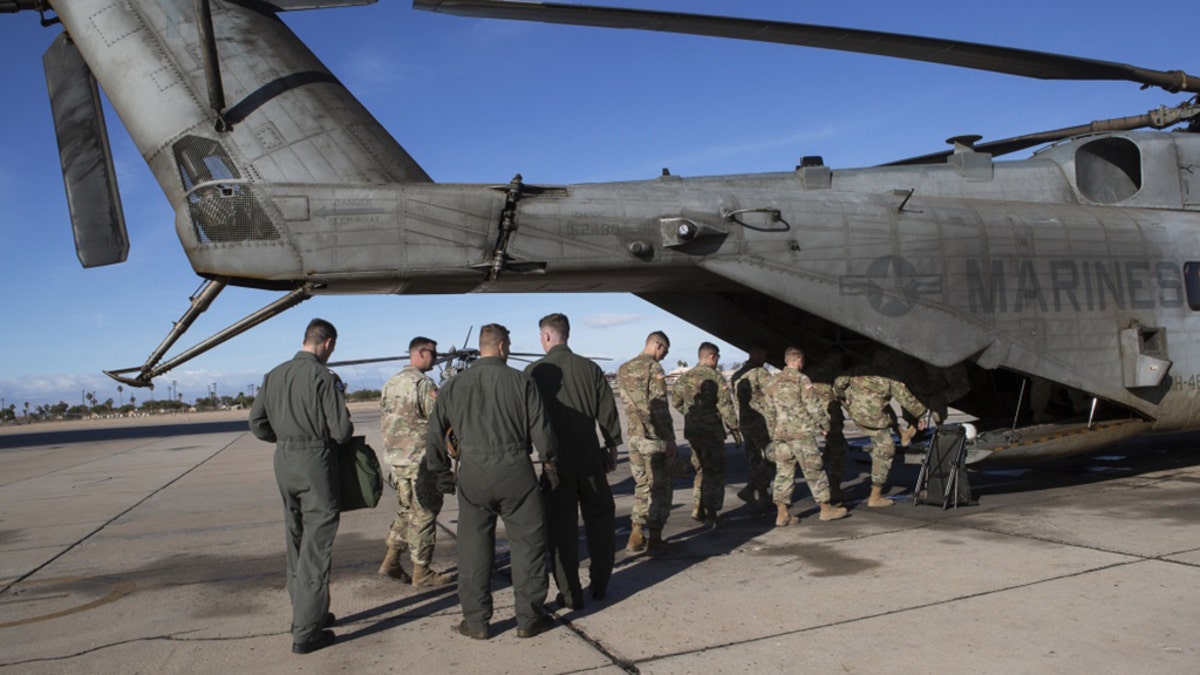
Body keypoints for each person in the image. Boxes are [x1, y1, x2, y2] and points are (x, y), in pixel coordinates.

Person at [426, 324, 558, 640]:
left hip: (472, 471)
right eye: (508, 345)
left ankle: (477, 622)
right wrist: (550, 464)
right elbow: (543, 430)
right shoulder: (521, 381)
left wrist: (441, 472)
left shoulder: (455, 385)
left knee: (473, 548)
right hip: (515, 470)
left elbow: (434, 432)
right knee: (528, 545)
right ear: (501, 347)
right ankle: (528, 618)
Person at [248, 318, 353, 655]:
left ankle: (305, 611)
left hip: (284, 460)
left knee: (294, 537)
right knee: (318, 542)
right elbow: (341, 431)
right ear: (327, 343)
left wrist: (285, 438)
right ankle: (307, 631)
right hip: (314, 461)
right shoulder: (323, 377)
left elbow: (257, 423)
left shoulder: (274, 374)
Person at [525, 313, 623, 608]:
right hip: (590, 457)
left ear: (546, 337)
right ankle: (601, 584)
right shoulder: (590, 368)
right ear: (566, 334)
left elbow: (526, 419)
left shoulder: (532, 372)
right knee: (601, 521)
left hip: (555, 462)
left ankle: (570, 593)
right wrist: (612, 447)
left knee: (561, 530)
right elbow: (607, 412)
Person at [377, 336, 454, 587]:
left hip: (396, 462)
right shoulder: (423, 384)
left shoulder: (391, 383)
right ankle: (422, 571)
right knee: (425, 513)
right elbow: (440, 417)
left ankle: (391, 560)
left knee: (407, 510)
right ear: (420, 353)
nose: (436, 356)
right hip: (419, 462)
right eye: (433, 352)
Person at [761, 347, 848, 526]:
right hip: (801, 434)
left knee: (784, 473)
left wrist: (773, 434)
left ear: (786, 361)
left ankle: (782, 514)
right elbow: (813, 405)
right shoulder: (802, 379)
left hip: (781, 434)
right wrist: (824, 425)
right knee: (813, 470)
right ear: (799, 360)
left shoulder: (772, 382)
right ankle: (825, 508)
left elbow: (768, 411)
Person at [834, 349, 928, 507]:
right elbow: (907, 400)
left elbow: (838, 383)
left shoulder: (857, 370)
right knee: (885, 451)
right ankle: (875, 496)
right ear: (889, 362)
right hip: (876, 422)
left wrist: (845, 399)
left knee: (887, 409)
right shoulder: (890, 377)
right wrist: (922, 414)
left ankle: (903, 434)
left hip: (856, 415)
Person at [616, 331, 677, 553]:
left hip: (633, 437)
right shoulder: (653, 368)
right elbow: (659, 406)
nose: (664, 356)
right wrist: (669, 438)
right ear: (658, 346)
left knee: (642, 484)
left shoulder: (623, 368)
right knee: (661, 487)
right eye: (665, 351)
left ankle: (635, 534)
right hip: (653, 438)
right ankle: (655, 538)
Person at [672, 342, 740, 527]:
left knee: (700, 469)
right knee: (714, 472)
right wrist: (734, 429)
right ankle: (711, 513)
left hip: (693, 433)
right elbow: (725, 406)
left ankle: (698, 505)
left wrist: (692, 416)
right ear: (712, 356)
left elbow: (676, 401)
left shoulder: (685, 378)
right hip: (711, 432)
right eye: (717, 357)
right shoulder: (715, 377)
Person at [730, 343, 775, 509]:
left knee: (754, 459)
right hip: (760, 422)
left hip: (745, 422)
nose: (764, 358)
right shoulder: (760, 372)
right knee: (772, 457)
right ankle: (751, 488)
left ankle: (763, 495)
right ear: (755, 353)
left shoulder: (737, 375)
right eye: (762, 353)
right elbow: (772, 394)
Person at [804, 349, 850, 500]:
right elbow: (841, 392)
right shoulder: (837, 372)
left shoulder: (810, 371)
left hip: (812, 415)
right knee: (839, 449)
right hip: (830, 416)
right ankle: (834, 488)